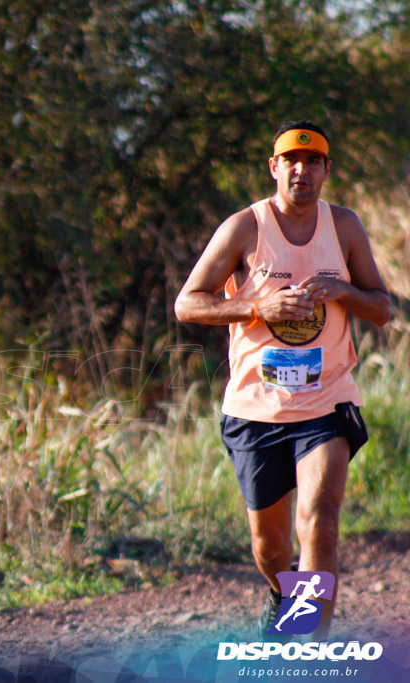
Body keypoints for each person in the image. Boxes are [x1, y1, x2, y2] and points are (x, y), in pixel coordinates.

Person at [175, 121, 391, 639]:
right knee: (269, 548)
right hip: (256, 409)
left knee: (317, 522)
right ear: (274, 167)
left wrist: (341, 289)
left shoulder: (344, 227)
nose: (302, 170)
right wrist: (257, 305)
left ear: (326, 170)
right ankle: (282, 593)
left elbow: (381, 308)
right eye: (291, 161)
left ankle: (307, 644)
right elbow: (188, 303)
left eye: (313, 161)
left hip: (327, 400)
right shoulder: (244, 228)